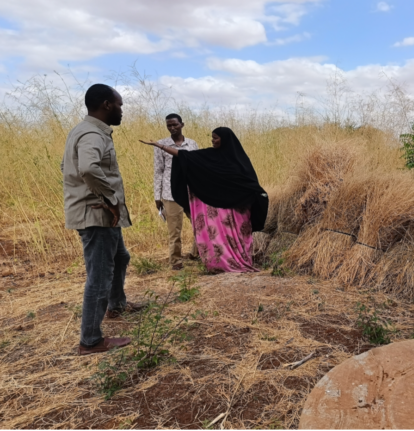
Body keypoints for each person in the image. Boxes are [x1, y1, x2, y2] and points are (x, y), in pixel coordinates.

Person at [62, 84, 146, 356]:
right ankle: (90, 340)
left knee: (120, 258)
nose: (122, 110)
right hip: (97, 215)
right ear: (107, 105)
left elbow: (68, 167)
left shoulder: (82, 130)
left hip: (100, 214)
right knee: (99, 276)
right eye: (119, 105)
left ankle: (117, 304)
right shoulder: (91, 133)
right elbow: (87, 168)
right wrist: (109, 199)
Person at [140, 127, 269, 273]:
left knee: (239, 236)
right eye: (212, 138)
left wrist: (257, 196)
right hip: (220, 208)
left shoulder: (239, 159)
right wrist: (160, 146)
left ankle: (241, 262)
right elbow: (185, 156)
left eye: (216, 138)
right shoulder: (209, 155)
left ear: (225, 139)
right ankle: (220, 265)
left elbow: (248, 181)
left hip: (237, 209)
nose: (212, 141)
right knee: (218, 237)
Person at [154, 113, 199, 270]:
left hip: (190, 193)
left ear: (182, 124)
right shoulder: (161, 145)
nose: (172, 128)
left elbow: (197, 168)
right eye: (169, 126)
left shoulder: (192, 144)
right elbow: (158, 171)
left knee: (200, 225)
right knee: (174, 231)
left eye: (175, 125)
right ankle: (176, 261)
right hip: (170, 193)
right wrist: (157, 196)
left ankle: (196, 253)